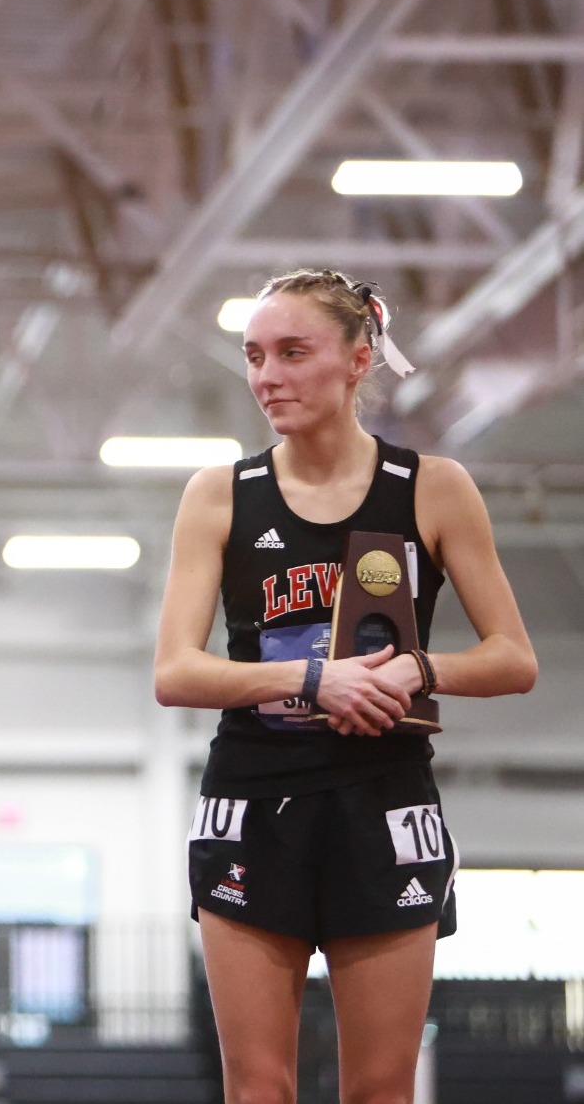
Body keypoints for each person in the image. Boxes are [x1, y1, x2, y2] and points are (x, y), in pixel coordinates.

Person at [153, 269, 538, 1103]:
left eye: (293, 352)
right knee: (257, 1088)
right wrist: (311, 679)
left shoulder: (431, 487)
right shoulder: (218, 493)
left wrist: (422, 667)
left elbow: (513, 657)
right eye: (254, 356)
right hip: (252, 798)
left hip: (384, 800)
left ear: (359, 358)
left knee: (379, 1090)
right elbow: (175, 672)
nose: (267, 376)